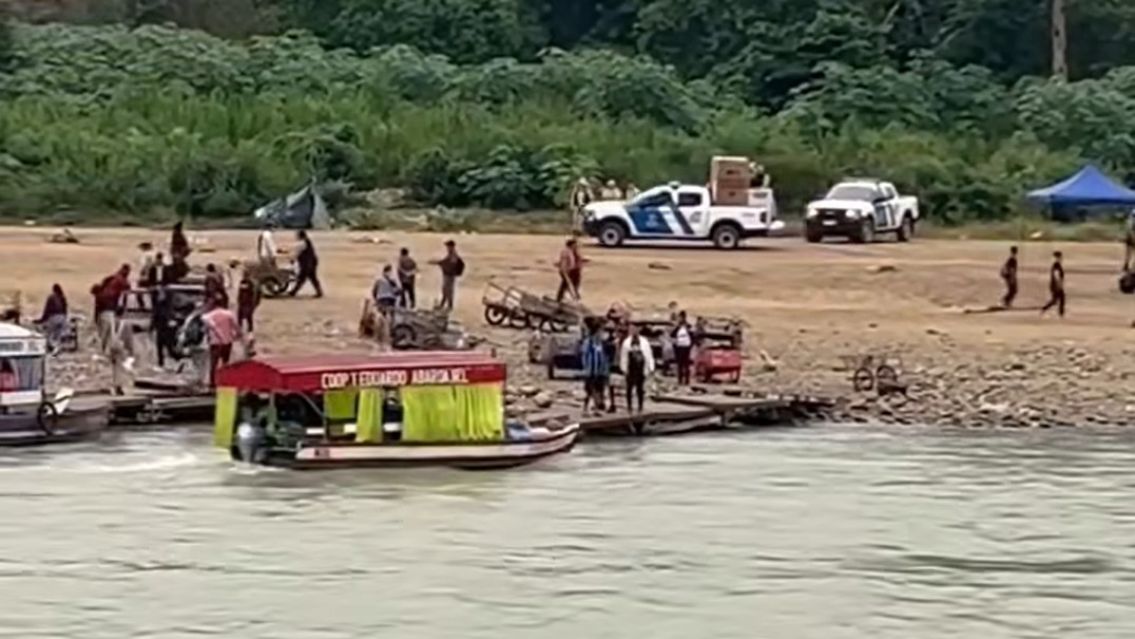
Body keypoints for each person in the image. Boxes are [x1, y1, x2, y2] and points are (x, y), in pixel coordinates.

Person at [92, 265, 131, 354]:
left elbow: (97, 309)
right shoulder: (120, 279)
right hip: (109, 308)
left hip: (106, 309)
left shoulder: (112, 279)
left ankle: (104, 350)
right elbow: (127, 287)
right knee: (109, 331)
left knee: (104, 332)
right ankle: (108, 350)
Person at [202, 299, 241, 386]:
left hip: (215, 343)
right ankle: (225, 380)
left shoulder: (207, 316)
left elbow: (207, 330)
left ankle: (212, 383)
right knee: (225, 363)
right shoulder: (229, 314)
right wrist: (235, 337)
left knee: (213, 364)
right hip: (227, 342)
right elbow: (237, 328)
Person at [620, 322, 655, 413]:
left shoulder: (644, 342)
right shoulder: (627, 342)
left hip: (640, 368)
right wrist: (623, 368)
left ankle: (640, 406)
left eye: (635, 329)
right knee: (629, 388)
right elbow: (624, 356)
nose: (634, 331)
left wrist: (651, 367)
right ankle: (629, 407)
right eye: (632, 329)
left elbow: (648, 355)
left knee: (640, 388)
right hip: (631, 368)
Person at [579, 318, 611, 414]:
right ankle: (585, 408)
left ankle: (596, 408)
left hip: (600, 371)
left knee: (599, 390)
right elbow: (585, 356)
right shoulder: (588, 342)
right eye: (600, 331)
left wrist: (605, 370)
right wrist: (586, 369)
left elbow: (603, 356)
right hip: (591, 371)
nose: (601, 333)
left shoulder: (600, 343)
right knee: (589, 391)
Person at [430, 240, 464, 310]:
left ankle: (449, 306)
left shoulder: (453, 255)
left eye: (448, 246)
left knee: (448, 290)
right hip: (448, 275)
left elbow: (449, 264)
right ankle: (444, 305)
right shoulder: (451, 254)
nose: (447, 248)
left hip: (449, 275)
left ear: (451, 246)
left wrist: (437, 263)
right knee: (446, 290)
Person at [290, 230, 323, 298]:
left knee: (302, 278)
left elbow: (297, 252)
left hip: (307, 263)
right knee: (312, 277)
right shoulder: (307, 241)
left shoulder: (302, 243)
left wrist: (292, 259)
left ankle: (293, 292)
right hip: (312, 261)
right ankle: (319, 292)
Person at [38, 284, 69, 350]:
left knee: (50, 333)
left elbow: (47, 309)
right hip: (62, 318)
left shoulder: (51, 297)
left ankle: (51, 346)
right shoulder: (62, 297)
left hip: (54, 317)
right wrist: (65, 318)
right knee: (58, 334)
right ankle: (57, 347)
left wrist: (42, 319)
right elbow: (65, 309)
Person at [1041, 251, 1066, 318]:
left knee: (1058, 299)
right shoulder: (1056, 265)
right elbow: (1056, 274)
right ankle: (1060, 313)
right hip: (1056, 285)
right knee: (1058, 299)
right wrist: (1059, 284)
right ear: (1057, 257)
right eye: (1060, 257)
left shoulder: (1057, 264)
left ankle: (1060, 313)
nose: (1061, 258)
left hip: (1055, 285)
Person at [556, 238, 581, 302]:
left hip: (569, 271)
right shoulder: (566, 252)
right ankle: (574, 298)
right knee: (567, 284)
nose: (576, 246)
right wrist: (565, 273)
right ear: (572, 245)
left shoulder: (571, 251)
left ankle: (560, 298)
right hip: (565, 271)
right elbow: (564, 263)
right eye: (575, 244)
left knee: (565, 285)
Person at [672, 311, 693, 385]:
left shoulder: (687, 326)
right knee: (680, 364)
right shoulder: (678, 326)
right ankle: (680, 380)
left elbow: (692, 334)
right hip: (680, 346)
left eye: (680, 317)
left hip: (686, 346)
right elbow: (673, 334)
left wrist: (690, 345)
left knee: (685, 364)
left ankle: (686, 380)